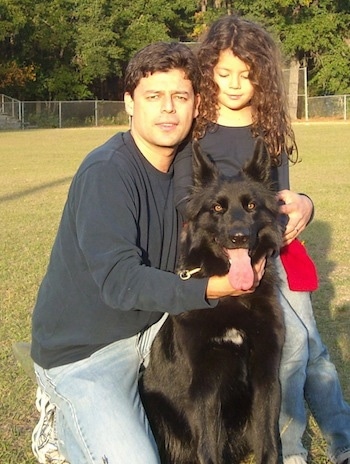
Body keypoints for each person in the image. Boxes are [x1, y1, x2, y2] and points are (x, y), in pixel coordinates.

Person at [30, 41, 266, 464]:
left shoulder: (186, 168)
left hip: (155, 329)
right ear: (129, 104)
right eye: (153, 97)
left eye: (180, 96)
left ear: (196, 104)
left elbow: (250, 190)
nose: (168, 110)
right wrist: (215, 287)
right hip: (86, 351)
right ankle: (59, 404)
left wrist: (302, 200)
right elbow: (121, 283)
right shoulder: (107, 172)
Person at [173, 15, 350, 464]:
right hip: (218, 260)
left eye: (247, 74)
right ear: (208, 70)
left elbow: (280, 200)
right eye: (224, 73)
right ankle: (286, 447)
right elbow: (189, 205)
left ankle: (337, 440)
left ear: (263, 76)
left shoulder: (268, 130)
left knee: (308, 349)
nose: (235, 84)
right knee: (283, 352)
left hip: (271, 255)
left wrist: (305, 203)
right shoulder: (196, 128)